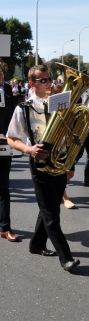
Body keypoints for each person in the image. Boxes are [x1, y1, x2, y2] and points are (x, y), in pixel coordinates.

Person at [7, 65, 80, 272]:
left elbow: (71, 132)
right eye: (43, 80)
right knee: (51, 213)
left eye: (49, 79)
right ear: (32, 84)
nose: (49, 83)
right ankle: (66, 258)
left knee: (51, 204)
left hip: (61, 157)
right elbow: (12, 138)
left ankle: (37, 244)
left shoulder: (60, 102)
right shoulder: (24, 108)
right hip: (39, 160)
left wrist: (70, 161)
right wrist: (29, 149)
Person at [0, 66, 19, 242]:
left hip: (2, 145)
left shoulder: (6, 91)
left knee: (4, 187)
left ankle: (5, 227)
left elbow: (12, 119)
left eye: (0, 73)